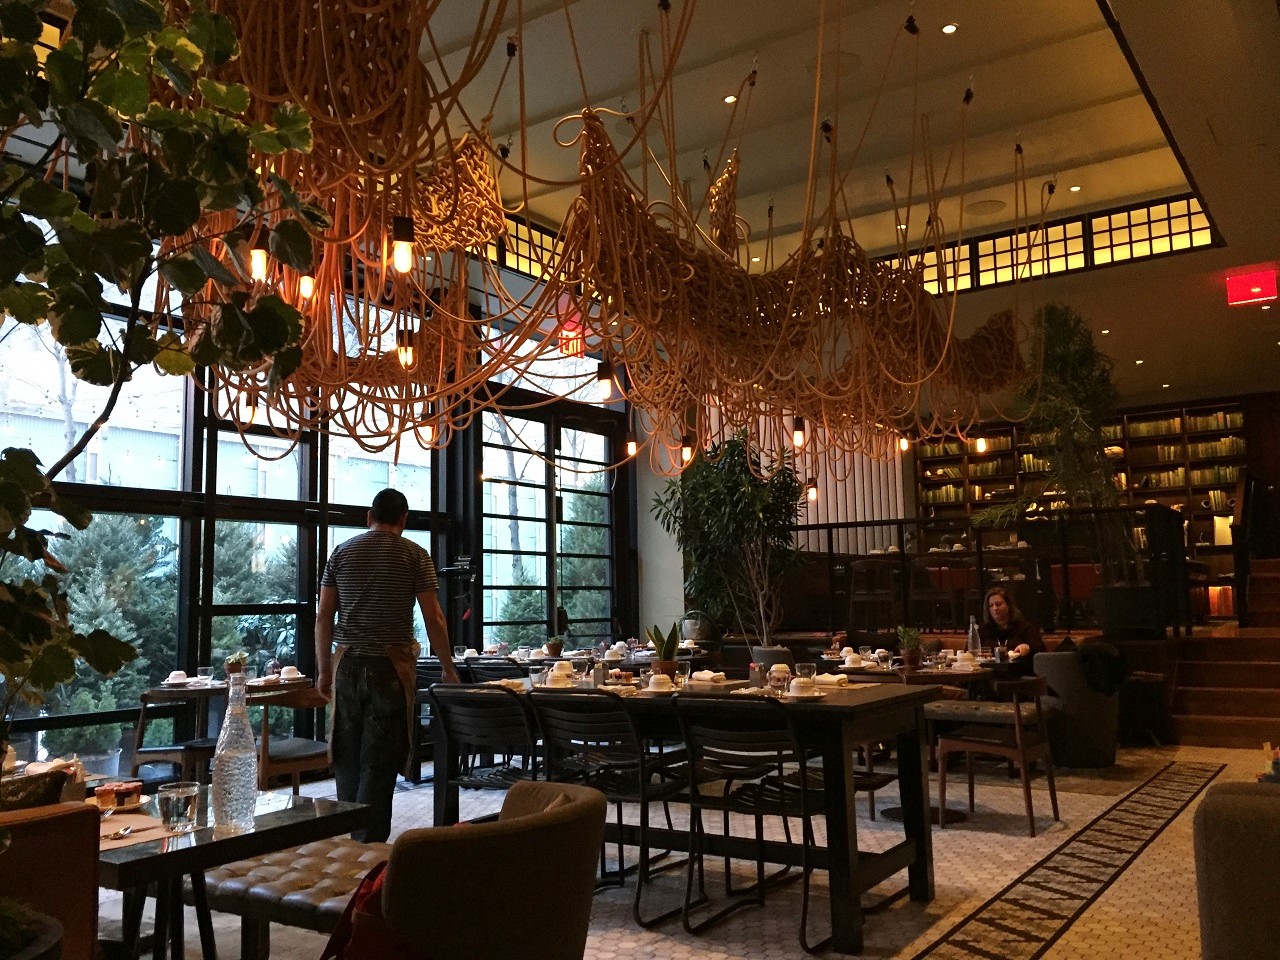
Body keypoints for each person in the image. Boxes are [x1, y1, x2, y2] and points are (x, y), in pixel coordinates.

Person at [316, 488, 459, 842]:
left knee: (347, 756)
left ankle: (351, 837)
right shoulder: (415, 555)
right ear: (403, 520)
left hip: (347, 665)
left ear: (369, 516)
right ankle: (369, 844)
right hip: (390, 670)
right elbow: (434, 618)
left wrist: (323, 670)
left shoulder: (341, 552)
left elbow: (323, 617)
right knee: (379, 760)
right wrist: (448, 667)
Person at [978, 585, 1045, 660]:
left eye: (998, 604)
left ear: (1008, 605)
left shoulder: (1025, 628)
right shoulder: (983, 630)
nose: (995, 608)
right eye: (991, 605)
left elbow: (1040, 650)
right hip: (990, 667)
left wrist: (1028, 648)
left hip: (1019, 666)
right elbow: (972, 652)